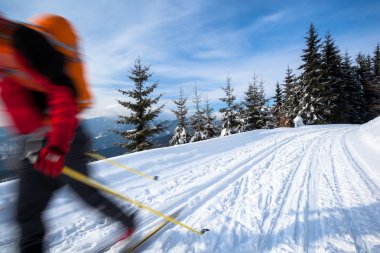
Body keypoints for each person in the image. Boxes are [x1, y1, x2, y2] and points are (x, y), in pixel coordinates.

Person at [0, 13, 135, 252]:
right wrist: (29, 141)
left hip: (64, 135)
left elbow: (63, 92)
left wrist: (57, 143)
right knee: (27, 211)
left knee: (86, 193)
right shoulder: (6, 52)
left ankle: (127, 221)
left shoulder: (23, 39)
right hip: (33, 140)